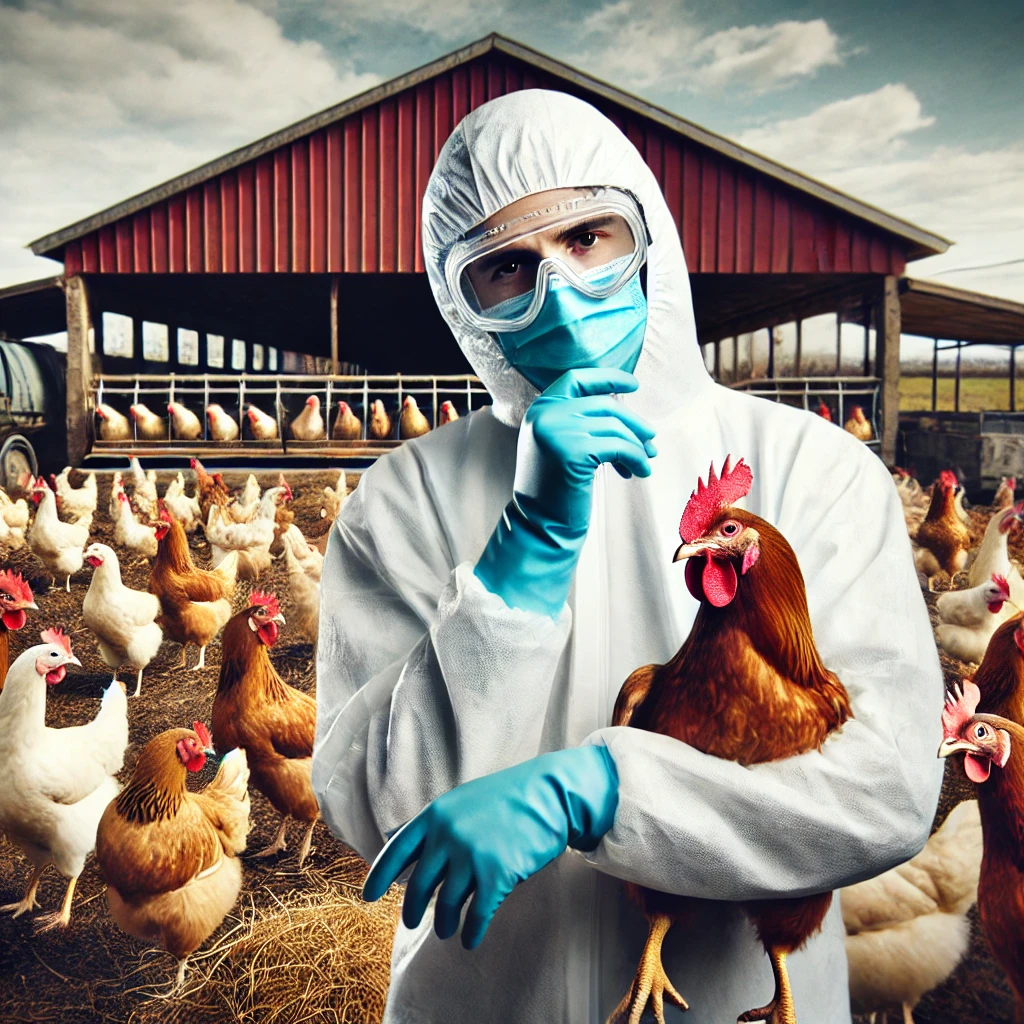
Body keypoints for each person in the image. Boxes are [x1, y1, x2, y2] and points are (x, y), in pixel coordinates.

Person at [312, 89, 944, 1024]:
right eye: (507, 268)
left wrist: (603, 789)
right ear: (463, 299)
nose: (558, 289)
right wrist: (523, 553)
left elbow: (886, 791)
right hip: (486, 1001)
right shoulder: (406, 497)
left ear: (649, 236)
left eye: (588, 238)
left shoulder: (814, 469)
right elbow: (381, 816)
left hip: (737, 1000)